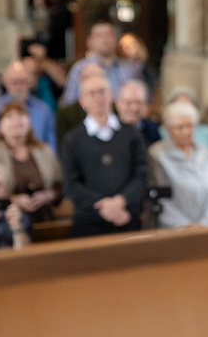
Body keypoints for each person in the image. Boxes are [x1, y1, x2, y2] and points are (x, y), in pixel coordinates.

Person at [61, 73, 148, 237]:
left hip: (127, 218)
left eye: (102, 91)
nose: (98, 98)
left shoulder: (132, 134)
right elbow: (71, 185)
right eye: (92, 93)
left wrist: (120, 201)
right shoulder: (73, 140)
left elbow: (141, 175)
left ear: (111, 95)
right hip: (89, 224)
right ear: (82, 101)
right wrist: (105, 208)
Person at [0, 101, 63, 223]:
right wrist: (13, 200)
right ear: (0, 126)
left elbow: (61, 184)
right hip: (5, 221)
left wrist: (48, 196)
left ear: (29, 123)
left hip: (43, 218)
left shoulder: (44, 150)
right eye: (9, 116)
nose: (16, 120)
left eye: (21, 115)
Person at [148, 101, 208, 228]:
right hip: (175, 230)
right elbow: (161, 200)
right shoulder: (158, 155)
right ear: (169, 129)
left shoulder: (207, 154)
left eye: (190, 126)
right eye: (180, 127)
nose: (186, 132)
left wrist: (205, 223)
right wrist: (187, 227)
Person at [58, 22, 137, 105]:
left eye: (109, 34)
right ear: (89, 41)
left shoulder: (127, 67)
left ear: (116, 39)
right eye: (99, 35)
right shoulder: (79, 69)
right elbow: (68, 103)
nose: (105, 39)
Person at [0, 61, 57, 151]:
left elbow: (51, 145)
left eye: (23, 82)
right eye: (15, 82)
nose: (19, 87)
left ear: (30, 82)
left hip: (39, 156)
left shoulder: (44, 110)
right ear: (6, 82)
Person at [163, 86, 208, 159]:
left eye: (188, 106)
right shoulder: (162, 132)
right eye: (179, 106)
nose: (185, 132)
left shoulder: (207, 133)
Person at [55, 63, 104, 147]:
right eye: (88, 78)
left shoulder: (116, 109)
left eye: (98, 77)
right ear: (80, 82)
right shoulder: (66, 115)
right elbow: (63, 147)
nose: (93, 83)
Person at [115, 80, 161, 147]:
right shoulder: (109, 130)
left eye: (139, 102)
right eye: (128, 102)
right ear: (118, 104)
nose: (134, 108)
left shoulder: (152, 128)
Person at [24, 43, 66, 112]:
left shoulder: (48, 78)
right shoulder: (21, 78)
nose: (35, 63)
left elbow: (63, 82)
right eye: (32, 57)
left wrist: (42, 60)